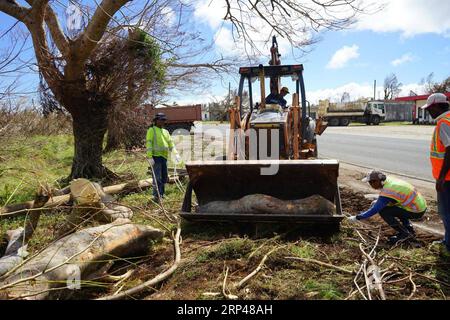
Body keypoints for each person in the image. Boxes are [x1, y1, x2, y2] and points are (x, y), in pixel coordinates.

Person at [348, 170, 427, 244]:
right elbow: (395, 199)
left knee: (384, 211)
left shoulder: (388, 190)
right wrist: (378, 203)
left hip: (415, 211)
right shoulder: (389, 181)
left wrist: (357, 217)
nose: (370, 185)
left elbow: (375, 209)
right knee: (394, 208)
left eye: (371, 183)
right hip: (419, 206)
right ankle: (409, 228)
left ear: (376, 181)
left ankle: (404, 234)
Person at [421, 93, 450, 254]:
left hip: (447, 178)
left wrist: (441, 178)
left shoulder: (444, 124)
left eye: (430, 109)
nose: (429, 113)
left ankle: (448, 245)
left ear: (437, 106)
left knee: (446, 212)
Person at [146, 112, 181, 203]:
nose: (163, 122)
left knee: (164, 177)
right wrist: (150, 157)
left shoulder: (165, 131)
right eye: (161, 120)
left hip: (164, 157)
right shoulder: (151, 130)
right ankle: (156, 196)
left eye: (164, 120)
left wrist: (175, 153)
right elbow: (149, 143)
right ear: (156, 120)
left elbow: (170, 143)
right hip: (155, 157)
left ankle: (162, 194)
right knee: (157, 178)